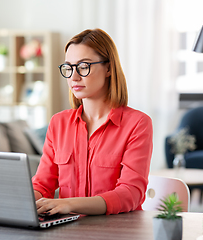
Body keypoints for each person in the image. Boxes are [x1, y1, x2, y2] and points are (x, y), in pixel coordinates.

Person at [32, 28, 153, 216]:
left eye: (83, 66)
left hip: (118, 230)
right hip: (68, 229)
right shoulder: (58, 123)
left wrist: (70, 204)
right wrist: (22, 199)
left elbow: (131, 193)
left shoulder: (138, 124)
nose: (73, 77)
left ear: (109, 68)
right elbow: (42, 184)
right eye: (68, 67)